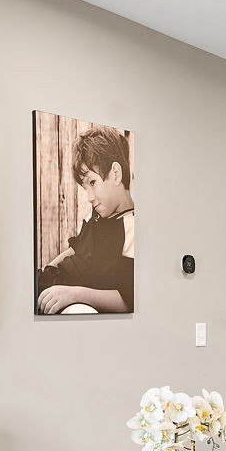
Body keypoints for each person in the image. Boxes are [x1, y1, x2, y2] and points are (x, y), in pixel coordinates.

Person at [37, 123, 135, 314]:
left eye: (93, 182)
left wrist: (74, 295)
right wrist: (49, 268)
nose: (89, 197)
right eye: (85, 188)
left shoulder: (131, 228)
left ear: (115, 174)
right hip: (55, 285)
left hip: (75, 301)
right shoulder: (97, 213)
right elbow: (76, 248)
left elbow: (127, 299)